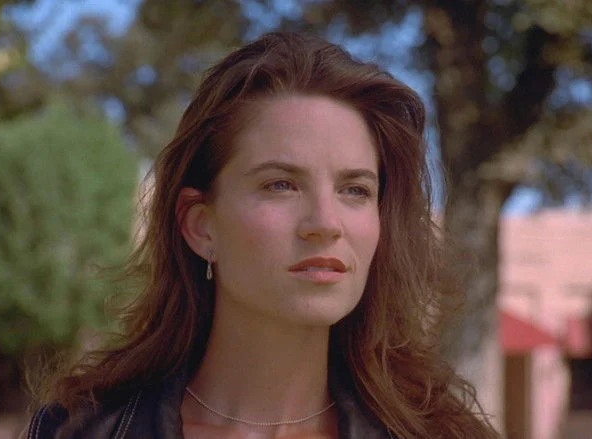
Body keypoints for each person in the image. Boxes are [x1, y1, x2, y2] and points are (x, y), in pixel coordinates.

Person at [26, 32, 498, 439]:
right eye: (281, 185)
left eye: (355, 189)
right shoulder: (80, 431)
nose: (326, 223)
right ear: (200, 226)